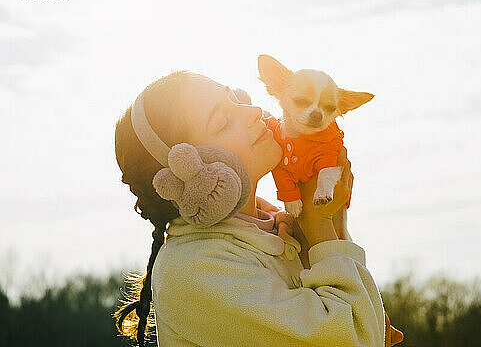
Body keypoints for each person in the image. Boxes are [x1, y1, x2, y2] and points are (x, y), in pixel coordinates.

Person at [113, 70, 403, 346]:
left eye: (236, 98)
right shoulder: (193, 267)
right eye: (223, 121)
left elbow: (359, 329)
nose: (252, 111)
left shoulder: (281, 230)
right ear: (191, 170)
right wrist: (320, 227)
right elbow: (351, 338)